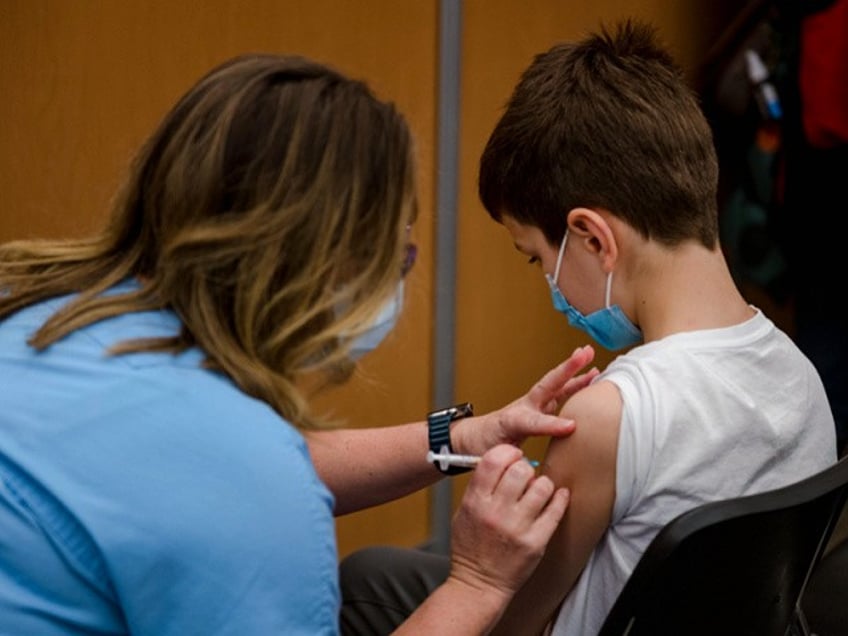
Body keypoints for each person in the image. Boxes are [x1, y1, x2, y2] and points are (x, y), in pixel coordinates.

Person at [0, 53, 600, 634]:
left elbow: (212, 468)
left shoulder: (44, 315)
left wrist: (461, 437)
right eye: (398, 257)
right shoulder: (247, 484)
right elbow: (238, 476)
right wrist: (477, 584)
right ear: (328, 264)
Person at [339, 18, 838, 636]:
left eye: (537, 259)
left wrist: (479, 559)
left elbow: (507, 622)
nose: (547, 283)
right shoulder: (803, 376)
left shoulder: (611, 416)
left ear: (592, 236)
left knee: (363, 581)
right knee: (381, 573)